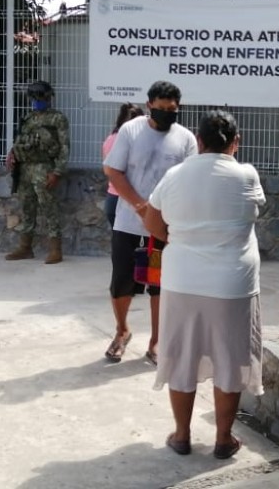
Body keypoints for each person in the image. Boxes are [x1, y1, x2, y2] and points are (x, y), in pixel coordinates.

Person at [144, 109, 265, 460]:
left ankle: (181, 435)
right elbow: (256, 210)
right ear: (236, 143)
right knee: (230, 361)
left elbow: (153, 222)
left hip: (182, 281)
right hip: (233, 285)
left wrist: (184, 240)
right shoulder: (246, 175)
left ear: (198, 141)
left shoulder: (176, 174)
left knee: (181, 357)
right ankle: (223, 439)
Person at [102, 81, 197, 363]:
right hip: (128, 222)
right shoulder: (131, 131)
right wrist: (142, 207)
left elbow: (188, 181)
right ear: (149, 106)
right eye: (162, 108)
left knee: (160, 283)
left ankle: (157, 341)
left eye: (173, 109)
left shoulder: (185, 139)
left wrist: (164, 217)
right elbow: (113, 171)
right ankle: (122, 331)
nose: (168, 113)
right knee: (122, 282)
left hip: (165, 229)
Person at [5, 80, 70, 265]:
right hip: (25, 168)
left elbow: (64, 147)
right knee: (27, 207)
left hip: (44, 167)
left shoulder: (57, 118)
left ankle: (55, 250)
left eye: (41, 97)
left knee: (49, 207)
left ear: (49, 98)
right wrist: (12, 154)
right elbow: (19, 139)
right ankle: (25, 248)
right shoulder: (28, 117)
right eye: (35, 97)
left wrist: (57, 171)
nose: (38, 101)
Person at [102, 103, 144, 228]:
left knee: (119, 244)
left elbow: (107, 170)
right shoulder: (136, 141)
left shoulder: (110, 139)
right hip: (131, 200)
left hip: (113, 198)